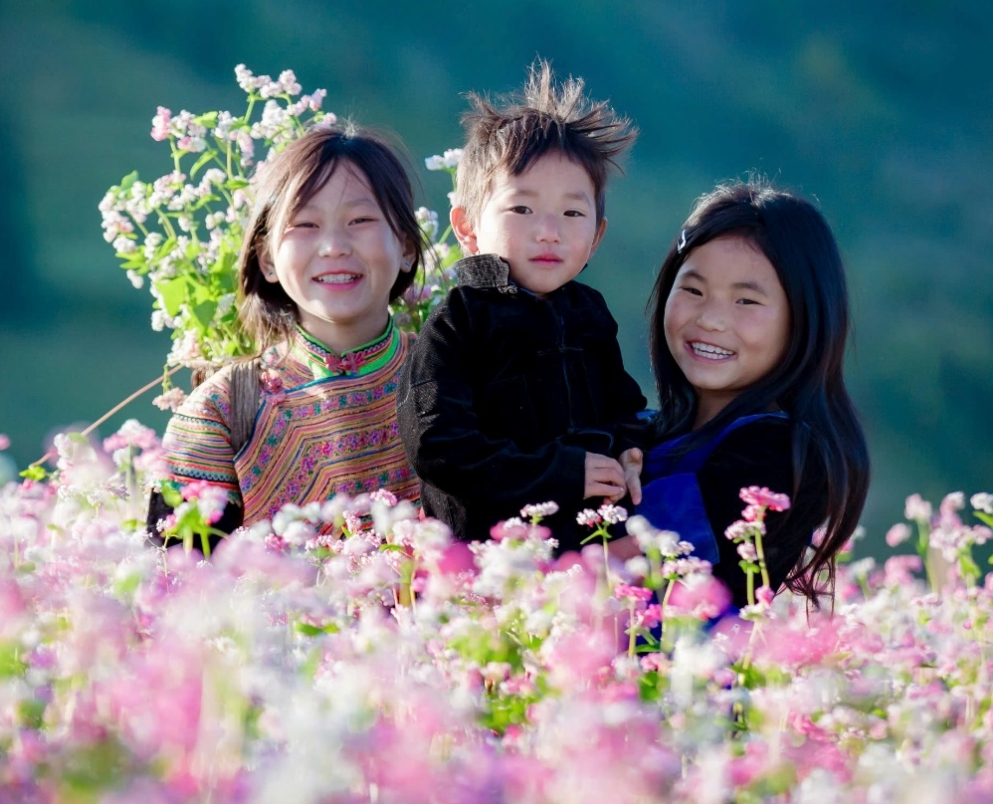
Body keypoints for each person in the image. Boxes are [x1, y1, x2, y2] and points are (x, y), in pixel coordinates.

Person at [397, 62, 647, 550]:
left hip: (588, 550)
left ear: (596, 236)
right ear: (467, 226)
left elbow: (625, 408)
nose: (548, 230)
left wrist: (632, 450)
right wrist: (562, 473)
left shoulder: (589, 314)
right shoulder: (459, 322)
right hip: (487, 559)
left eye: (572, 212)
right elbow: (437, 446)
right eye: (522, 209)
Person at [149, 125, 426, 543]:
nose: (333, 246)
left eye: (360, 219)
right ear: (267, 260)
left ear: (405, 247)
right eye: (305, 225)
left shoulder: (456, 380)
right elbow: (176, 581)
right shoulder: (220, 413)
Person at [634, 180, 870, 606]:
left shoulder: (780, 456)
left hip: (676, 672)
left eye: (746, 302)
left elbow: (627, 555)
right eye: (693, 290)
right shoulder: (643, 429)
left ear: (804, 318)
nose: (711, 320)